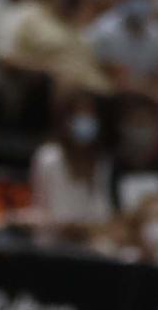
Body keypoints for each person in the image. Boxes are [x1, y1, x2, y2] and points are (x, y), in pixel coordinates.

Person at [31, 92, 115, 244]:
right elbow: (40, 207)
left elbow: (104, 212)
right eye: (79, 115)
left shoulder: (102, 162)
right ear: (67, 120)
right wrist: (66, 226)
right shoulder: (48, 157)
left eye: (91, 116)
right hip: (52, 242)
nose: (86, 122)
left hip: (91, 243)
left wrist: (89, 228)